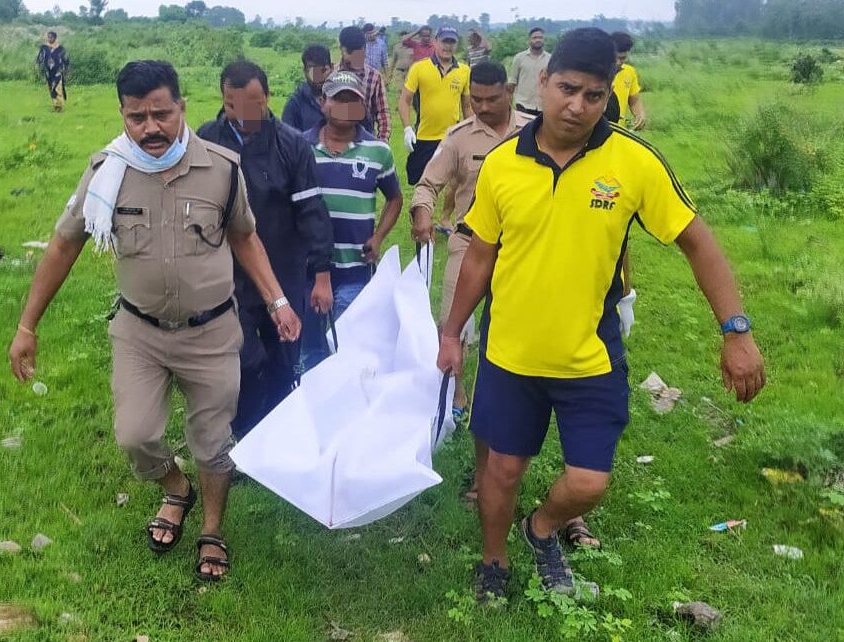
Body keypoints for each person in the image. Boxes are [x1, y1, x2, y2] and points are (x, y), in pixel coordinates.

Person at [436, 29, 766, 601]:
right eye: (566, 89)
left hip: (589, 353)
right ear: (542, 82)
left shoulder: (632, 161)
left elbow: (698, 242)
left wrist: (736, 330)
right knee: (501, 470)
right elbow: (480, 254)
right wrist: (450, 333)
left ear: (609, 93)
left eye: (593, 95)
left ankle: (540, 529)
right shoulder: (502, 165)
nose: (577, 106)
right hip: (509, 350)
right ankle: (494, 561)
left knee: (589, 480)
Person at [8, 60, 301, 582]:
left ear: (181, 108)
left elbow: (245, 238)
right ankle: (175, 488)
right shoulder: (106, 173)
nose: (150, 128)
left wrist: (277, 301)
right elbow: (63, 244)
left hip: (211, 333)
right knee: (135, 435)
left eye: (161, 114)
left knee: (212, 441)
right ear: (122, 114)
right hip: (139, 333)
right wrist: (28, 325)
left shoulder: (222, 168)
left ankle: (212, 529)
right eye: (136, 117)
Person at [197, 61, 333, 438]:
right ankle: (246, 432)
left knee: (283, 357)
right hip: (227, 277)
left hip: (285, 271)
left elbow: (312, 213)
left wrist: (321, 274)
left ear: (268, 98)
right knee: (241, 359)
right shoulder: (206, 141)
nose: (242, 116)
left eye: (252, 105)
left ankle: (276, 436)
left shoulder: (291, 145)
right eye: (231, 105)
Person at [410, 59, 532, 447]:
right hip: (468, 240)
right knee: (451, 323)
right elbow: (428, 184)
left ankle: (504, 399)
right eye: (475, 99)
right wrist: (422, 214)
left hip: (521, 245)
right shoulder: (459, 137)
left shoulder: (532, 132)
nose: (481, 107)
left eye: (491, 99)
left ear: (508, 92)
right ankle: (457, 396)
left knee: (514, 329)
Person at [300, 71, 403, 370]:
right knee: (310, 352)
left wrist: (379, 236)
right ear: (323, 103)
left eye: (353, 101)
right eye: (339, 99)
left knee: (347, 351)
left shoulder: (378, 152)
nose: (346, 107)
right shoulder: (300, 148)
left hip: (354, 270)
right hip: (308, 271)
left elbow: (395, 198)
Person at [399, 26, 471, 186]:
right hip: (425, 136)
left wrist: (472, 131)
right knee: (418, 181)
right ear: (435, 42)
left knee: (456, 184)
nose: (448, 46)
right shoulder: (419, 68)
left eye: (452, 42)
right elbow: (404, 100)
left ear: (457, 44)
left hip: (452, 137)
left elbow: (467, 106)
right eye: (445, 41)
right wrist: (407, 129)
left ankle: (446, 212)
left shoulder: (464, 71)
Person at [338, 26, 391, 141]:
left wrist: (382, 143)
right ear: (341, 49)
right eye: (350, 52)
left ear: (365, 49)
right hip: (336, 141)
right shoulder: (331, 75)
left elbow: (382, 112)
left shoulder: (374, 77)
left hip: (365, 140)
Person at [282, 45, 333, 133]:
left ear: (332, 68)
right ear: (305, 71)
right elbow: (287, 141)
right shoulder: (294, 104)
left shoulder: (345, 97)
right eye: (313, 72)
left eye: (323, 70)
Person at [508, 27, 551, 115]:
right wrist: (509, 104)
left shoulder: (550, 59)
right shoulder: (519, 58)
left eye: (540, 37)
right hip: (523, 104)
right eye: (535, 38)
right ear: (529, 40)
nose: (538, 40)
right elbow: (512, 81)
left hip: (543, 105)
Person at [611, 31, 647, 130]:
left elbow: (634, 101)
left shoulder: (629, 72)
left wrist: (640, 114)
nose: (618, 62)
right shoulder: (595, 73)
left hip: (619, 132)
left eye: (622, 58)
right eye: (615, 58)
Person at [36, 31, 69, 111]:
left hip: (58, 71)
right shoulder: (44, 48)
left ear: (55, 38)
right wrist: (38, 65)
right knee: (51, 88)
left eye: (51, 37)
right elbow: (40, 58)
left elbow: (65, 59)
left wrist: (65, 69)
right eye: (49, 37)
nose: (50, 39)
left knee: (57, 87)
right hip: (48, 71)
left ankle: (59, 106)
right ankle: (55, 105)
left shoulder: (60, 48)